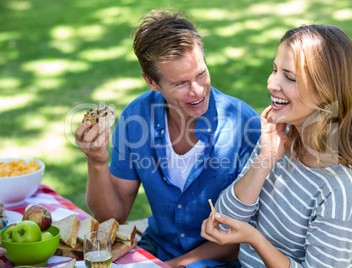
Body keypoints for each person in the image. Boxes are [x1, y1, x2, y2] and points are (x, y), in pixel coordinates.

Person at [201, 24, 352, 267]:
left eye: (289, 77)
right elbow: (224, 222)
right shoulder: (278, 140)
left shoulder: (346, 186)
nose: (272, 83)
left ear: (326, 92)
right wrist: (266, 159)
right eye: (275, 70)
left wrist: (255, 239)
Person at [75, 8, 260, 267]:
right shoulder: (135, 119)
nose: (197, 91)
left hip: (223, 260)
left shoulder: (244, 125)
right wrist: (96, 162)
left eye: (201, 74)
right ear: (152, 82)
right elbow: (112, 216)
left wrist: (177, 264)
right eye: (180, 83)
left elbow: (252, 234)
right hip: (159, 248)